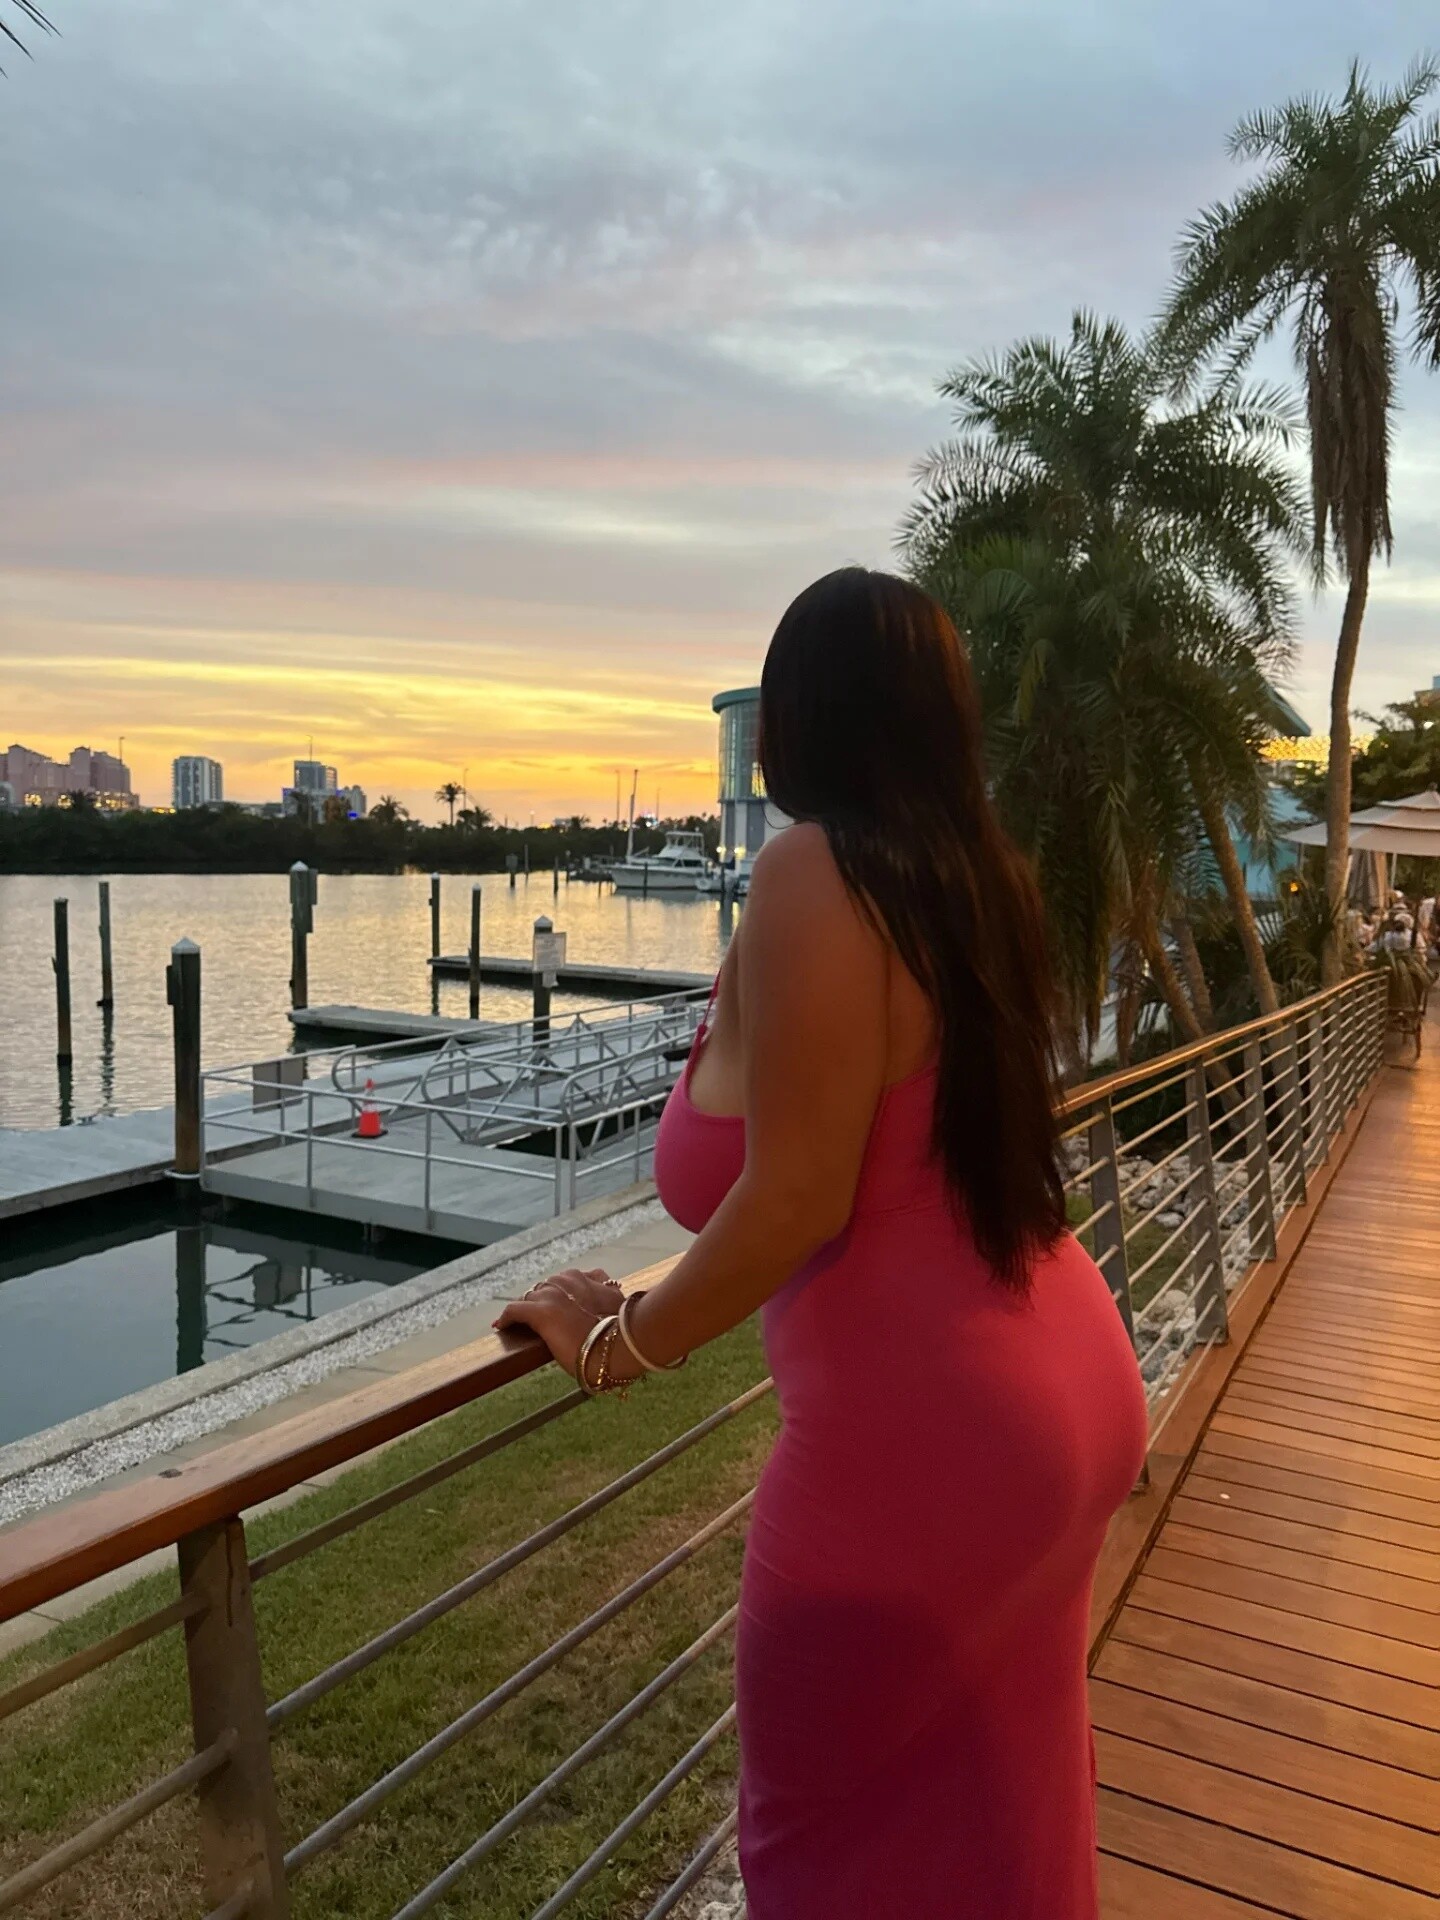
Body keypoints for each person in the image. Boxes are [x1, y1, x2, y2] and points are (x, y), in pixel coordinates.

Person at [497, 568, 1149, 1919]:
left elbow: (797, 1196)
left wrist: (619, 1340)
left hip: (924, 1445)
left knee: (821, 1852)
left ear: (795, 719)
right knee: (996, 1821)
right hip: (1062, 1386)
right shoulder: (978, 883)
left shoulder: (810, 872)